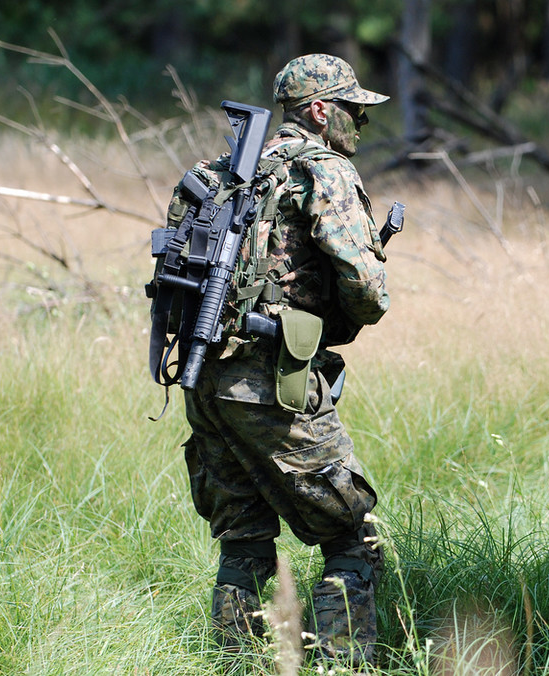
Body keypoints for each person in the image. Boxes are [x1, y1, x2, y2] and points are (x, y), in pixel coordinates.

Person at [175, 53, 391, 669]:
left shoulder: (217, 173)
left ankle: (231, 664)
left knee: (244, 542)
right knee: (352, 535)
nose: (360, 123)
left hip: (206, 378)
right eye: (352, 109)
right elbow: (368, 290)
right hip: (274, 381)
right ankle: (341, 665)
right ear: (320, 111)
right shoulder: (325, 171)